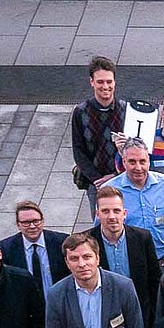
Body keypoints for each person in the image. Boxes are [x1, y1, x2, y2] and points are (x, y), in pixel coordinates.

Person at [113, 138, 164, 262]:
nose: (138, 167)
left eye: (142, 161)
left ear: (149, 161)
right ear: (124, 162)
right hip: (128, 262)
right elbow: (101, 230)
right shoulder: (111, 190)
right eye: (132, 162)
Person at [91, 185, 163, 313]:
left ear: (124, 214)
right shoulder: (88, 241)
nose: (112, 216)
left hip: (138, 310)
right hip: (102, 312)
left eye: (116, 211)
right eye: (105, 211)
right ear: (97, 214)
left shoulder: (143, 238)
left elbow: (154, 280)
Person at [72, 56, 123, 216]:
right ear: (91, 82)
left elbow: (136, 150)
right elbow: (78, 151)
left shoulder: (126, 110)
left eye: (109, 81)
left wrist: (115, 175)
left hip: (123, 179)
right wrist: (96, 179)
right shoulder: (81, 112)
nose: (105, 86)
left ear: (114, 82)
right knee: (100, 223)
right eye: (100, 82)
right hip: (97, 184)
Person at [0, 199, 70, 296]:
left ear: (43, 221)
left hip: (59, 301)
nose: (32, 226)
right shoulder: (6, 248)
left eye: (36, 221)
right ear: (18, 225)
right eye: (26, 222)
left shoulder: (62, 242)